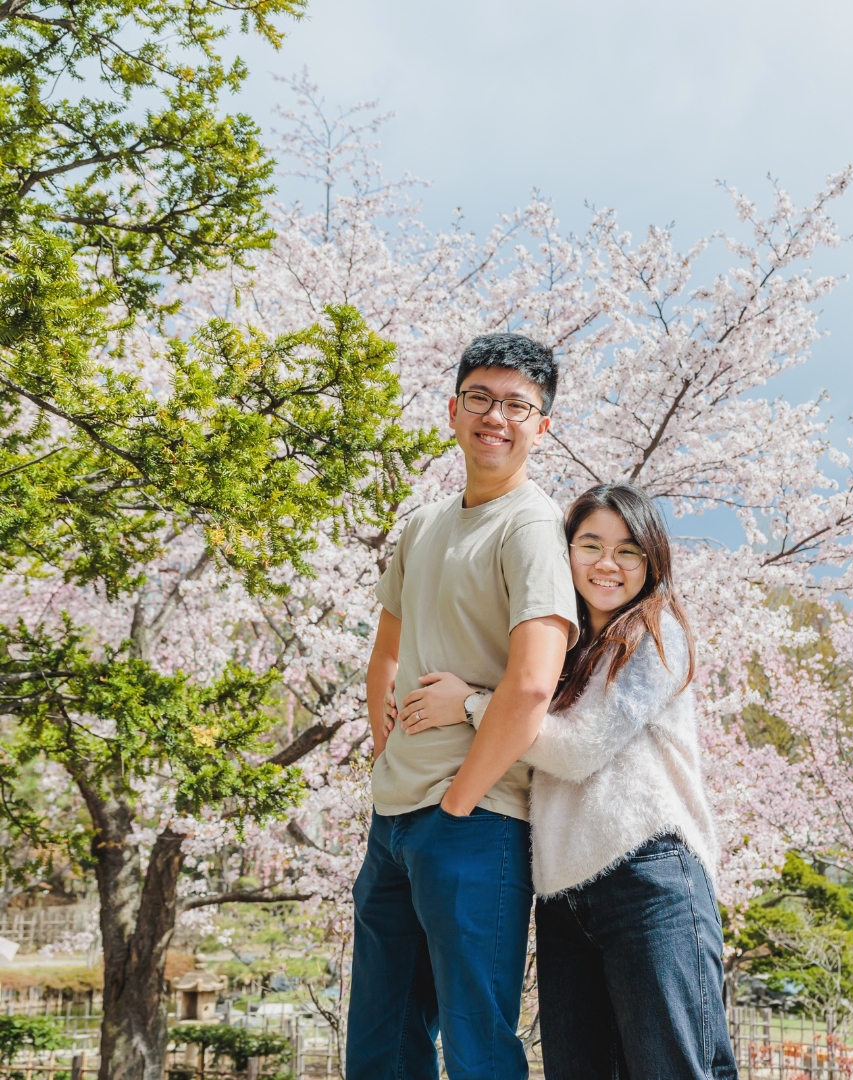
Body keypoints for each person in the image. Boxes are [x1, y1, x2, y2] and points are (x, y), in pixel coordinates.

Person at [388, 483, 739, 1080]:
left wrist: (473, 706)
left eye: (629, 551)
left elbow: (580, 751)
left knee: (675, 1068)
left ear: (652, 561)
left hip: (648, 879)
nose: (608, 563)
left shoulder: (657, 636)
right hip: (561, 897)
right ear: (565, 552)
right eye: (591, 544)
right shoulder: (561, 650)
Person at [347, 333, 579, 1080]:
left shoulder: (532, 527)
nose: (495, 416)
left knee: (479, 1050)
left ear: (541, 427)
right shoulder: (422, 524)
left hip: (475, 825)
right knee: (380, 1049)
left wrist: (455, 805)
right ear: (452, 410)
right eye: (480, 398)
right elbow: (385, 651)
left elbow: (534, 684)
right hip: (393, 824)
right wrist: (387, 753)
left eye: (518, 405)